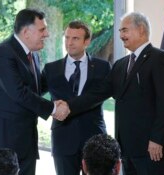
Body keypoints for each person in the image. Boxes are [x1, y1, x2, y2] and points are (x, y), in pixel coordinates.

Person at [66, 12, 164, 175]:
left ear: (140, 30)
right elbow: (98, 94)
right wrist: (68, 106)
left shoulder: (160, 58)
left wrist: (158, 139)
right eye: (119, 31)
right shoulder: (120, 64)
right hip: (126, 150)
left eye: (124, 30)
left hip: (152, 149)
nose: (120, 35)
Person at [0, 8, 69, 175]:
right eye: (42, 29)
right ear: (26, 32)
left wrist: (65, 67)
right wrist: (54, 109)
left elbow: (35, 89)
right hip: (3, 138)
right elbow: (19, 93)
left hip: (26, 138)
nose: (47, 34)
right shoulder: (3, 52)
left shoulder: (33, 54)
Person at [41, 20, 111, 175]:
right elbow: (33, 95)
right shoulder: (51, 69)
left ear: (87, 41)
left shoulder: (102, 68)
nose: (69, 43)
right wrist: (51, 108)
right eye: (67, 37)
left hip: (94, 139)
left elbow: (99, 95)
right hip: (63, 139)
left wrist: (68, 106)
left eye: (75, 38)